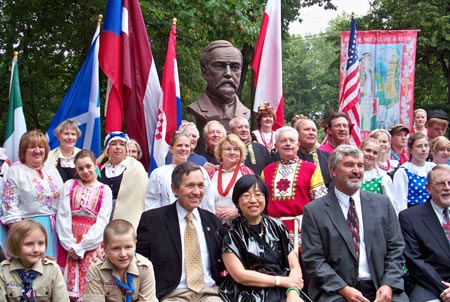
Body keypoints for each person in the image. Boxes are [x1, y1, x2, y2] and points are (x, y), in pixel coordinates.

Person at [301, 145, 408, 302]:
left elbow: (396, 249)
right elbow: (313, 260)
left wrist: (388, 284)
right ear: (332, 170)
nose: (357, 171)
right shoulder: (314, 211)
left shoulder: (382, 204)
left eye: (360, 165)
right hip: (336, 290)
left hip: (381, 286)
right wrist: (344, 290)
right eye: (349, 165)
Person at [136, 162, 223, 301]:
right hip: (173, 294)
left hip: (209, 293)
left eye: (200, 186)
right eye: (190, 186)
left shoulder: (213, 222)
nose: (196, 191)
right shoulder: (153, 221)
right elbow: (137, 260)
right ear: (174, 189)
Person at [219, 175, 305, 302]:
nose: (253, 200)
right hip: (248, 292)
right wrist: (282, 281)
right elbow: (240, 275)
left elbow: (294, 265)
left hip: (284, 289)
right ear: (237, 201)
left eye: (258, 194)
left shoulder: (277, 225)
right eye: (246, 196)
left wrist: (292, 291)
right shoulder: (229, 231)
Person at [56, 150, 113, 301]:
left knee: (89, 285)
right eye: (80, 168)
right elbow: (63, 214)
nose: (85, 171)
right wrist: (70, 245)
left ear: (95, 165)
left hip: (92, 242)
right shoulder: (69, 185)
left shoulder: (104, 190)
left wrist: (82, 246)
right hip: (68, 241)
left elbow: (102, 221)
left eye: (88, 166)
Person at [262, 126, 327, 251]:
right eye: (283, 141)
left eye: (291, 141)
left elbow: (321, 203)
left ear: (297, 145)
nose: (288, 144)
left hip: (303, 230)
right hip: (273, 232)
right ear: (276, 145)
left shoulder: (311, 169)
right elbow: (262, 204)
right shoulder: (266, 171)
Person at [1, 130, 63, 258]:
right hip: (28, 230)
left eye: (41, 147)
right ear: (24, 150)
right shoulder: (15, 171)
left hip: (56, 230)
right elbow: (9, 205)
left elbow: (63, 200)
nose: (37, 150)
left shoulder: (52, 171)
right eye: (32, 147)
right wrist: (21, 234)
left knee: (51, 270)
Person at [187, 40, 251, 153]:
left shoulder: (244, 112)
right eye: (219, 66)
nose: (228, 73)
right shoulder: (196, 109)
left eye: (235, 67)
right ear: (204, 71)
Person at [399, 165, 450, 301]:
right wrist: (446, 289)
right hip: (428, 284)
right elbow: (416, 262)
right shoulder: (410, 217)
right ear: (428, 188)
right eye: (441, 183)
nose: (447, 187)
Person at [84, 219, 157, 302]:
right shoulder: (96, 268)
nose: (123, 254)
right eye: (116, 248)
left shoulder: (145, 268)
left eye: (128, 247)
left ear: (135, 244)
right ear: (105, 248)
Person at [145, 131, 214, 213]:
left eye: (186, 146)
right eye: (179, 145)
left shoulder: (200, 172)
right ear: (171, 148)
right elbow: (151, 204)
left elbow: (208, 200)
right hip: (167, 222)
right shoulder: (159, 174)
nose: (183, 149)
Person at [0, 220, 69, 301]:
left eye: (41, 243)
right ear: (15, 245)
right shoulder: (3, 270)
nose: (36, 249)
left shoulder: (52, 269)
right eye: (29, 244)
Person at [99, 132, 147, 230]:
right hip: (102, 217)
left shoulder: (135, 168)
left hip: (127, 216)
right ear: (107, 149)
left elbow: (140, 196)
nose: (118, 147)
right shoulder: (102, 170)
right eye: (113, 144)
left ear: (126, 149)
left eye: (121, 144)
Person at [208, 134, 254, 222]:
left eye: (236, 149)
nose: (232, 152)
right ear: (220, 153)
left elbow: (254, 199)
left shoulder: (247, 173)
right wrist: (211, 210)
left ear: (240, 153)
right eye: (228, 149)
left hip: (239, 225)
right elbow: (203, 199)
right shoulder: (211, 173)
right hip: (213, 225)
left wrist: (237, 211)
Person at [393, 132, 435, 213]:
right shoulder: (403, 171)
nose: (424, 149)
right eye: (419, 146)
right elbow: (400, 200)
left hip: (432, 212)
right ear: (410, 150)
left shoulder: (432, 168)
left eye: (426, 145)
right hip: (413, 213)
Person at [295, 116, 332, 188]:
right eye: (307, 129)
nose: (311, 133)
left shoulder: (327, 157)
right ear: (297, 133)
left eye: (314, 130)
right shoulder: (290, 156)